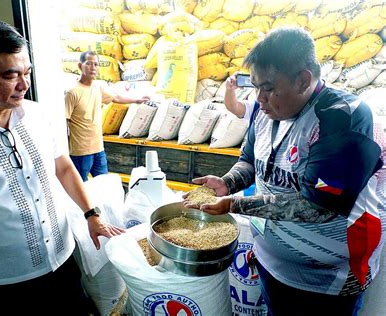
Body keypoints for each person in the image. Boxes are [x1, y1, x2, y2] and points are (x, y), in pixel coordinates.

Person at [0, 18, 124, 316]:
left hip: (62, 259)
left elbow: (63, 167)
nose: (23, 85)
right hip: (7, 280)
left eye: (27, 73)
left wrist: (92, 214)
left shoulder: (39, 116)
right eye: (9, 75)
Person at [184, 27, 384, 316]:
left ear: (303, 79)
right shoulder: (265, 110)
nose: (259, 98)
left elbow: (320, 206)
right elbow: (250, 161)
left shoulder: (341, 115)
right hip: (273, 264)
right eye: (255, 87)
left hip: (327, 279)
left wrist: (234, 203)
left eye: (268, 88)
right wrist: (227, 183)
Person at [64, 51, 150, 181]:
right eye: (89, 64)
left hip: (98, 149)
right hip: (80, 152)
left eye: (96, 64)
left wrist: (136, 99)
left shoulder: (98, 88)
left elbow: (116, 97)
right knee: (80, 186)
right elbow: (64, 122)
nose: (93, 68)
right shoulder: (72, 92)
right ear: (80, 66)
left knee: (104, 185)